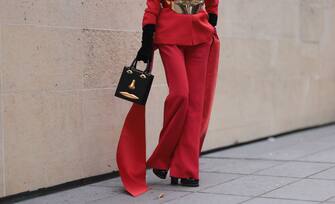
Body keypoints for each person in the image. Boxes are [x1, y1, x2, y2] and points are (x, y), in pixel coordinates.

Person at [116, 0, 220, 197]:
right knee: (180, 95)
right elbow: (152, 6)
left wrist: (213, 18)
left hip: (201, 31)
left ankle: (186, 169)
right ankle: (163, 157)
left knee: (195, 105)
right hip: (169, 30)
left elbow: (213, 2)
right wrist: (146, 41)